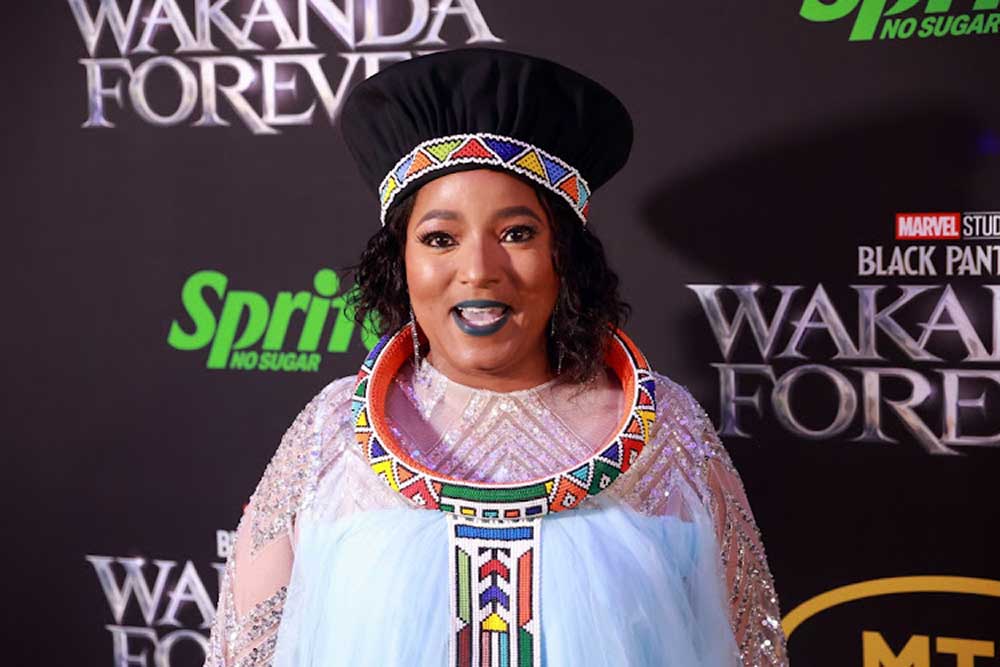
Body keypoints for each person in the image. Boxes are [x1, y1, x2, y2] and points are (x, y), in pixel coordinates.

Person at [203, 47, 788, 667]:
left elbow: (749, 647)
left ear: (565, 256)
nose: (479, 269)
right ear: (400, 262)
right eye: (440, 238)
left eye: (517, 233)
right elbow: (244, 651)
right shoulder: (331, 433)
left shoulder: (667, 432)